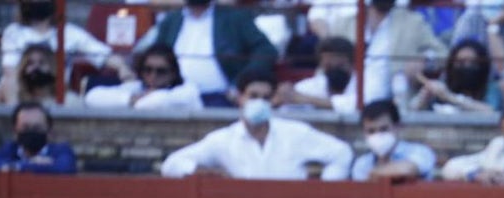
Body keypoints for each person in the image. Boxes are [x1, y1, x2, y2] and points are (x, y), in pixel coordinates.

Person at [160, 72, 353, 181]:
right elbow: (171, 164)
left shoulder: (295, 133)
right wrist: (199, 170)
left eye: (266, 98)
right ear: (240, 98)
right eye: (253, 96)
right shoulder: (223, 140)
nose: (260, 102)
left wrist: (325, 189)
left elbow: (342, 153)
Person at [134, 0, 278, 107]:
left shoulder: (235, 18)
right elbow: (152, 54)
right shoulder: (171, 20)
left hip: (218, 98)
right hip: (171, 96)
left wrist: (240, 84)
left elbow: (266, 50)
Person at [0, 0, 135, 105]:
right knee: (1, 90)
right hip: (21, 93)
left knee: (76, 103)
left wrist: (123, 68)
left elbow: (104, 55)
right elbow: (10, 73)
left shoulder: (70, 33)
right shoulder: (13, 32)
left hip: (54, 95)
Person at [332, 0, 448, 105]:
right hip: (344, 96)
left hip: (392, 103)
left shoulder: (412, 22)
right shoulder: (345, 23)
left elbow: (443, 55)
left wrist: (425, 61)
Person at [84, 43, 203, 111]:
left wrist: (138, 100)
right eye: (148, 70)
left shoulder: (188, 90)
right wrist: (130, 99)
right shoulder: (137, 88)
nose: (153, 76)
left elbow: (151, 103)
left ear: (173, 73)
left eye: (160, 71)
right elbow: (92, 97)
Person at [0, 101, 76, 175]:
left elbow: (64, 168)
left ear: (48, 130)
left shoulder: (60, 151)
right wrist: (25, 165)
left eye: (37, 128)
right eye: (25, 127)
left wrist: (14, 168)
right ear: (15, 130)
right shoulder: (10, 150)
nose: (31, 132)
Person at [351, 99, 437, 183]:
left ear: (398, 127)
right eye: (371, 131)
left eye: (383, 129)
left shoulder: (420, 151)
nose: (377, 135)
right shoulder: (362, 163)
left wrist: (374, 173)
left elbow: (407, 170)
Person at [410, 40, 502, 114]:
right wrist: (424, 98)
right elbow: (411, 113)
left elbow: (491, 112)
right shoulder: (443, 84)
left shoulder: (492, 88)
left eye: (473, 63)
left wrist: (450, 97)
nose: (466, 67)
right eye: (461, 62)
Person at [0, 43, 83, 107]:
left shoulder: (70, 101)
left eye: (41, 63)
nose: (36, 67)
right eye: (30, 63)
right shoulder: (8, 93)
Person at [275, 36, 357, 113]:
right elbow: (288, 98)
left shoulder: (365, 82)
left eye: (340, 65)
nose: (334, 70)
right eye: (328, 66)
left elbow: (353, 104)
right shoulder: (313, 84)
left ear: (352, 63)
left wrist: (306, 100)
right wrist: (284, 95)